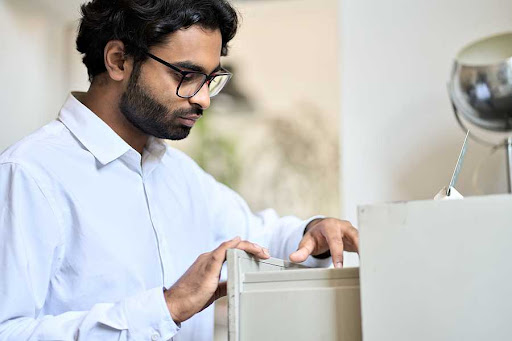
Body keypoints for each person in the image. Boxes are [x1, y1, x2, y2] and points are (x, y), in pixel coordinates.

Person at [0, 0, 359, 340]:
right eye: (187, 75)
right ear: (118, 60)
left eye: (211, 80)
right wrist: (166, 308)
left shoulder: (179, 175)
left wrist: (315, 233)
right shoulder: (28, 175)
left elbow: (262, 238)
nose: (202, 98)